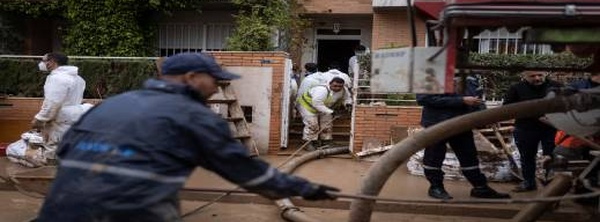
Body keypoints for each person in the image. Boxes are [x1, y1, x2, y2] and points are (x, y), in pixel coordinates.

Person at [36, 52, 340, 222]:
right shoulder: (195, 118)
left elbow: (65, 154)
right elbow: (247, 172)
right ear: (192, 78)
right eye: (215, 81)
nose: (217, 87)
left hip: (57, 212)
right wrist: (306, 189)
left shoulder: (113, 104)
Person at [416, 75, 510, 200]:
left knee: (469, 157)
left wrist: (487, 116)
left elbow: (477, 100)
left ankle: (480, 188)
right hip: (437, 124)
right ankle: (435, 187)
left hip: (462, 124)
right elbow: (423, 99)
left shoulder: (471, 77)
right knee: (434, 157)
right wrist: (461, 100)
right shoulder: (432, 75)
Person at [503, 70, 563, 192]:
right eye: (532, 76)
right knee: (527, 157)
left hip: (551, 128)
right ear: (524, 76)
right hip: (526, 127)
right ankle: (529, 182)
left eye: (540, 75)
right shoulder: (516, 88)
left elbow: (567, 104)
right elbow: (507, 108)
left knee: (551, 156)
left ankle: (551, 184)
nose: (537, 78)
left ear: (545, 74)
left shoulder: (556, 87)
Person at [31, 52, 89, 161]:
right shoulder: (79, 79)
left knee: (53, 154)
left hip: (59, 121)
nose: (42, 63)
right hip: (72, 118)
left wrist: (39, 119)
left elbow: (53, 103)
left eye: (44, 60)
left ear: (51, 62)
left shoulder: (57, 79)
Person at [296, 77, 351, 151]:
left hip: (325, 107)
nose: (337, 88)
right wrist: (332, 112)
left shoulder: (344, 90)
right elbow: (317, 104)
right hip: (307, 106)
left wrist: (348, 104)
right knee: (312, 124)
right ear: (330, 84)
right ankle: (308, 142)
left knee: (327, 123)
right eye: (335, 86)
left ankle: (326, 141)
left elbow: (346, 98)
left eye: (340, 86)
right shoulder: (322, 90)